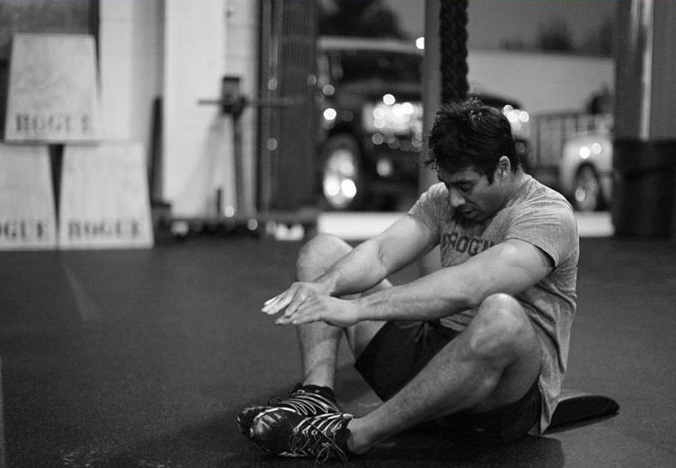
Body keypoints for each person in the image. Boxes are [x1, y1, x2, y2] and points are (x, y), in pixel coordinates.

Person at [237, 98, 578, 461]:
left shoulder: (546, 214)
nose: (455, 199)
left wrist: (358, 309)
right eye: (447, 185)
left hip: (501, 400)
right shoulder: (444, 200)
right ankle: (316, 398)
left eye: (465, 185)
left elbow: (470, 287)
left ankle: (351, 436)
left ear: (503, 167)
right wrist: (323, 288)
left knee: (502, 315)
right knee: (322, 253)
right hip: (434, 356)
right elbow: (382, 253)